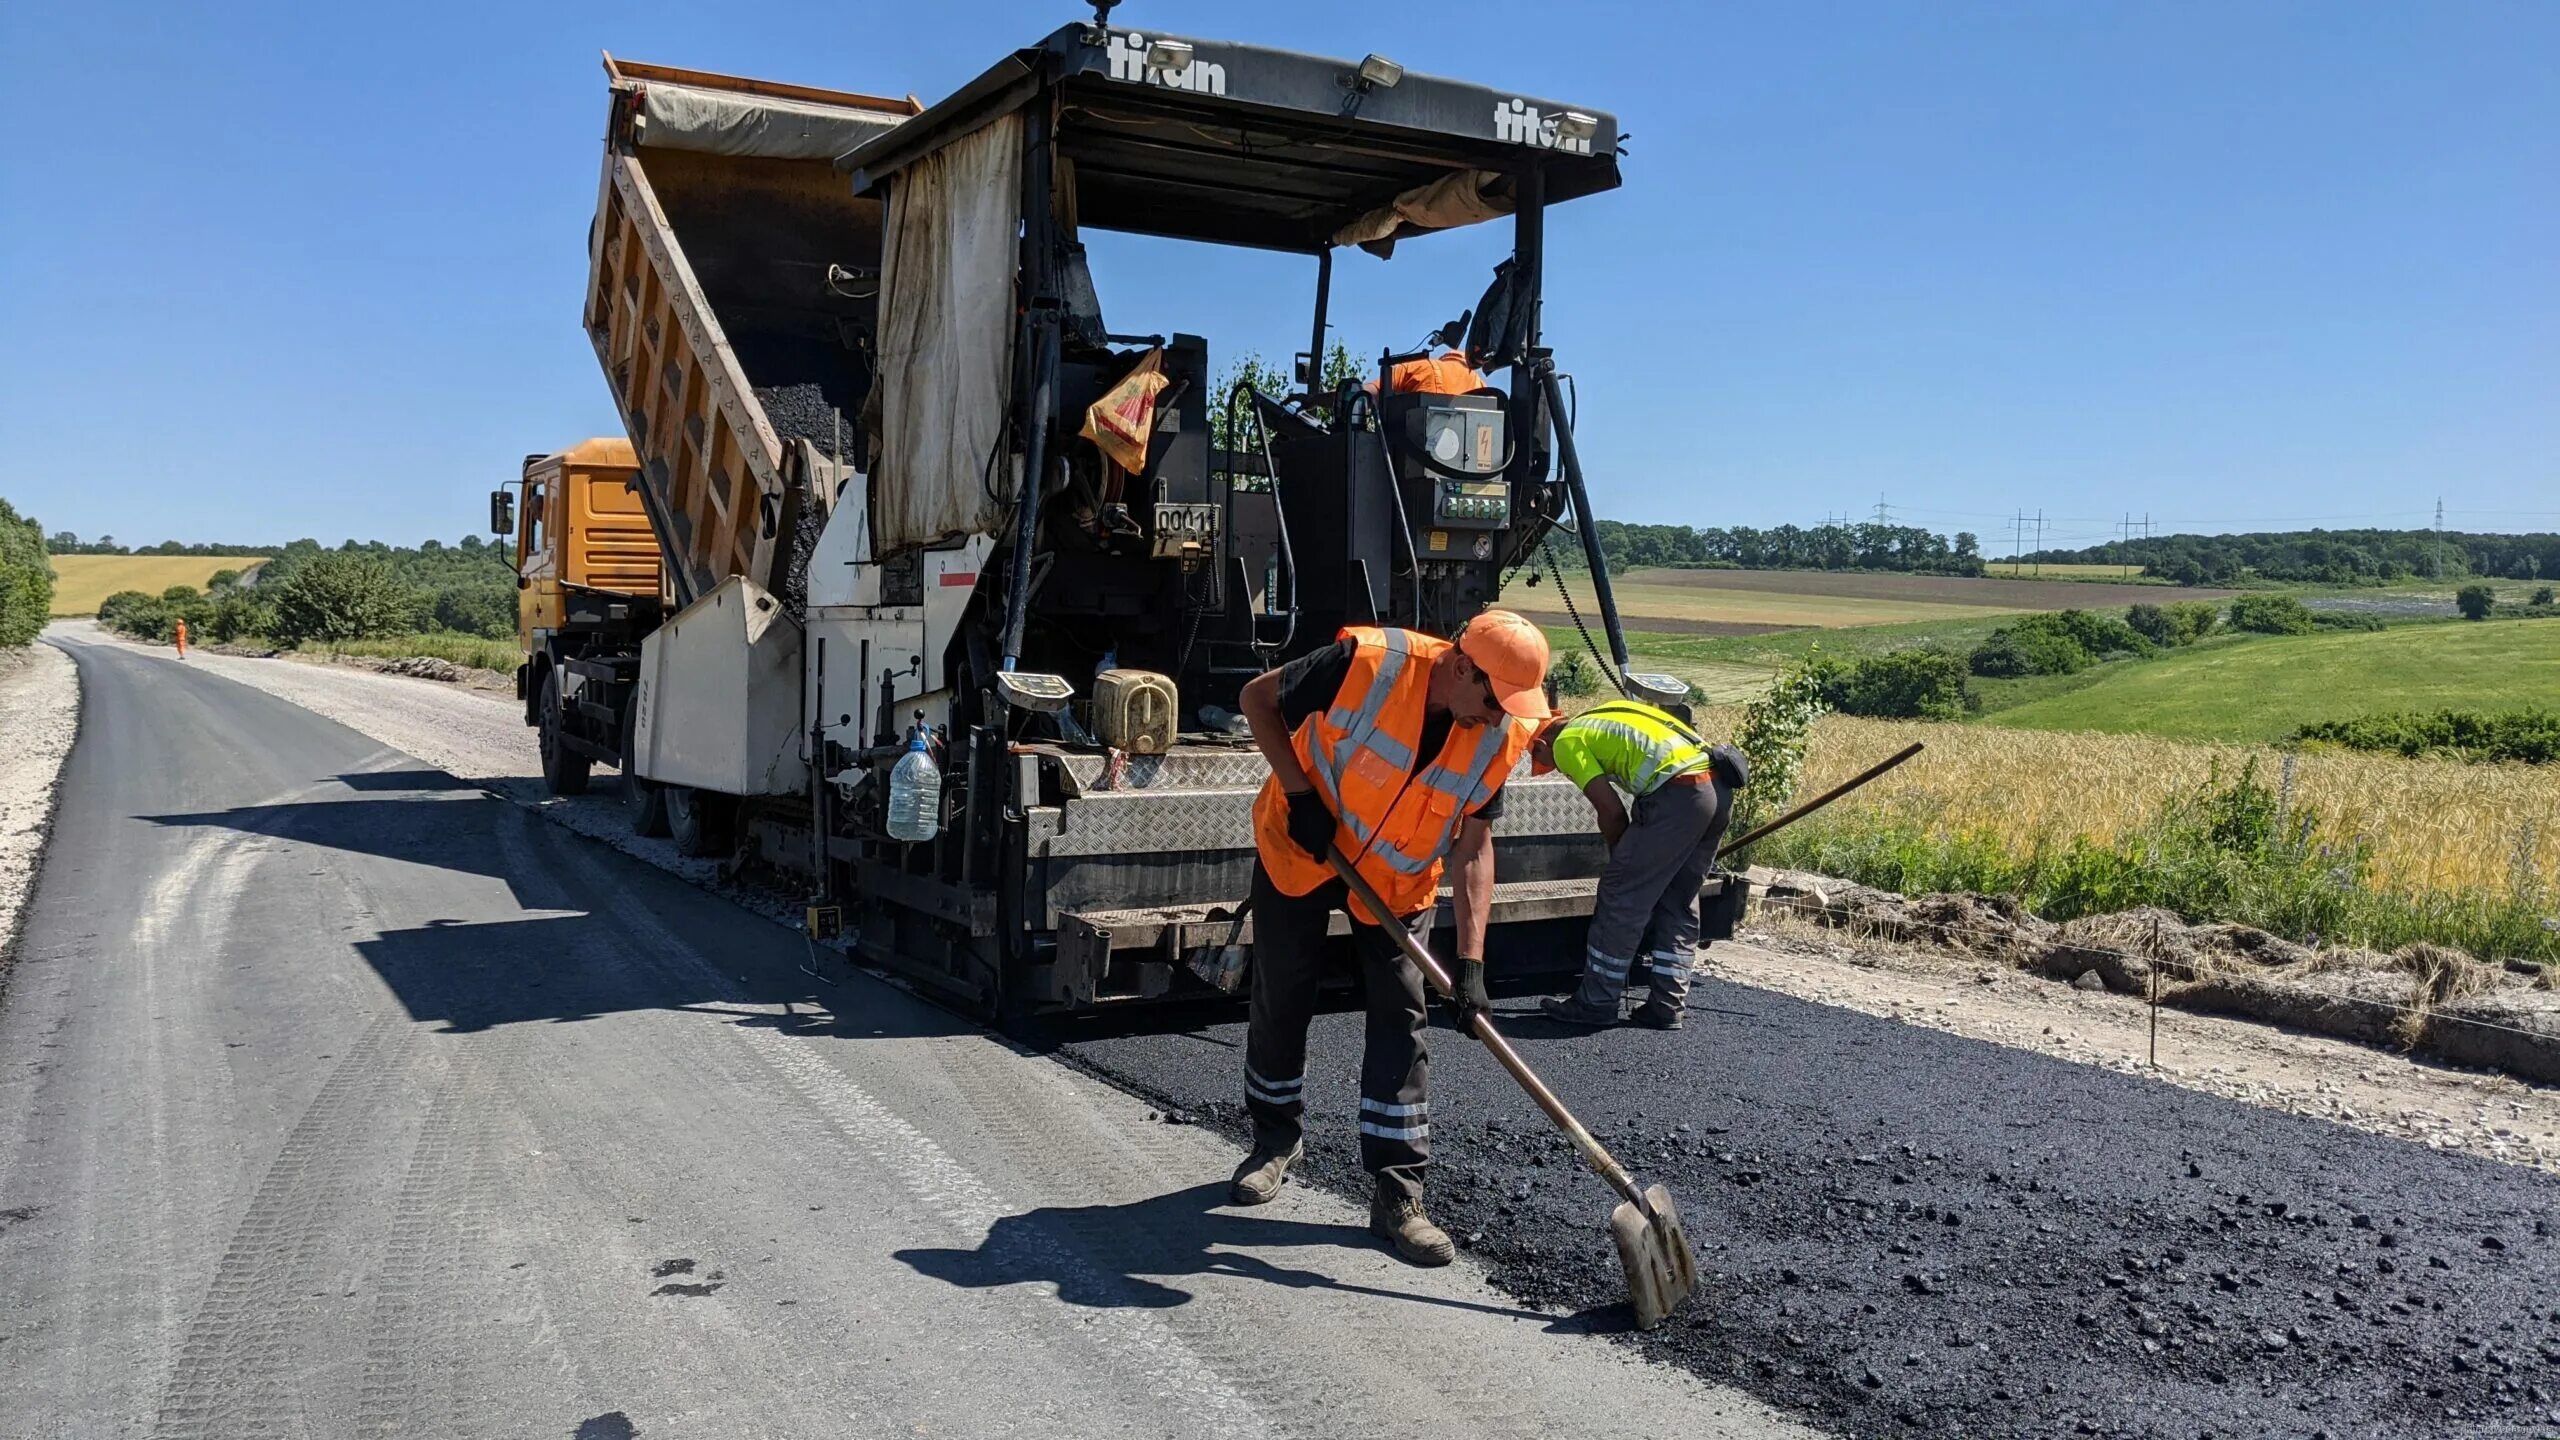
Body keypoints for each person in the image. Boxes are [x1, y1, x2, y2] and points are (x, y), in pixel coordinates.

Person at [1228, 609, 1552, 1265]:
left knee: (1403, 1013)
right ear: (1461, 666)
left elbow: (1474, 845)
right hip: (1301, 844)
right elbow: (1257, 700)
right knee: (1285, 990)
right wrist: (1301, 795)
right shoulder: (1369, 665)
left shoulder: (1499, 734)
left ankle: (1398, 1194)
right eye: (1493, 701)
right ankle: (1275, 1139)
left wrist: (1470, 964)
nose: (1498, 719)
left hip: (1394, 877)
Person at [1531, 698, 1750, 1029]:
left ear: (1539, 743)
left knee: (1621, 896)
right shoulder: (1606, 714)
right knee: (1679, 899)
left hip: (1679, 796)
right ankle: (1667, 1005)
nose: (1553, 767)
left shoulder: (1566, 743)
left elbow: (1611, 811)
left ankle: (1596, 1001)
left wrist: (1620, 856)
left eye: (1542, 761)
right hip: (1717, 790)